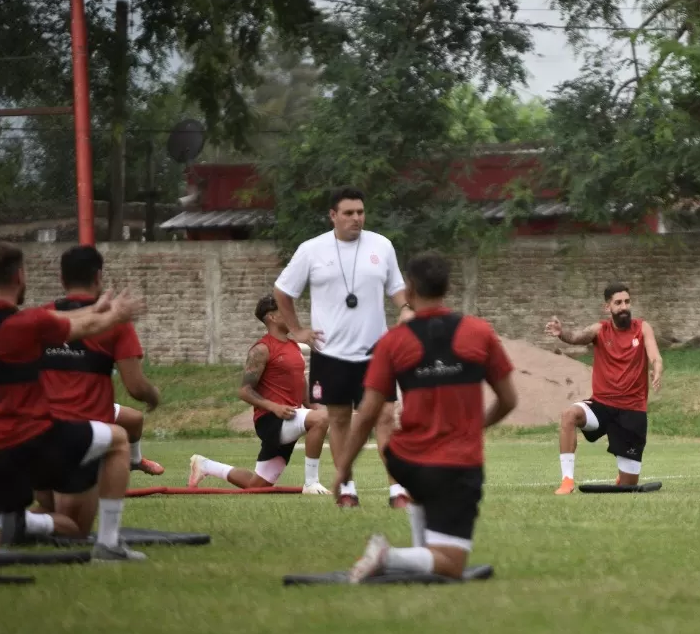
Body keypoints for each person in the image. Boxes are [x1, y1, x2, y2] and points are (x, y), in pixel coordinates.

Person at [340, 252, 518, 582]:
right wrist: (478, 425)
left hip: (405, 461)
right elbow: (509, 399)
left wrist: (345, 467)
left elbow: (366, 414)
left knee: (426, 503)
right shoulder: (479, 332)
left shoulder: (393, 342)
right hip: (455, 465)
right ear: (448, 287)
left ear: (408, 290)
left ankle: (421, 555)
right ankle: (387, 554)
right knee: (452, 566)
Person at [0, 243, 145, 560]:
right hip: (31, 438)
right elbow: (84, 327)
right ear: (19, 276)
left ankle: (19, 521)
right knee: (118, 440)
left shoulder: (16, 321)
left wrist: (95, 309)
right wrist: (116, 315)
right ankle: (109, 545)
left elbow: (58, 316)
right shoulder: (27, 324)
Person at [273, 186, 412, 506]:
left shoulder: (382, 245)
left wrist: (405, 308)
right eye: (348, 213)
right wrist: (295, 329)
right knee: (339, 420)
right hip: (330, 353)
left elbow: (397, 289)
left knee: (387, 418)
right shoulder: (311, 250)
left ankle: (397, 490)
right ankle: (347, 487)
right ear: (333, 215)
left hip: (376, 352)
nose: (356, 218)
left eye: (360, 212)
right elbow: (283, 292)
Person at [38, 245, 164, 484]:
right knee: (117, 442)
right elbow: (136, 387)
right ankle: (109, 519)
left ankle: (135, 461)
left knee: (134, 420)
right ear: (98, 276)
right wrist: (153, 396)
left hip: (41, 426)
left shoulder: (38, 317)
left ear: (61, 279)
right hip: (87, 428)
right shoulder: (116, 321)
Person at [188, 295, 330, 490]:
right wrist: (275, 407)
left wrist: (317, 409)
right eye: (286, 312)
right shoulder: (261, 349)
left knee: (258, 485)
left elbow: (300, 385)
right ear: (272, 317)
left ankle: (205, 465)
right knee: (319, 419)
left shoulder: (293, 346)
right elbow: (244, 391)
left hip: (290, 417)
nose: (293, 316)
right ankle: (311, 483)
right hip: (271, 420)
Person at [544, 283, 663, 495]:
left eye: (627, 301)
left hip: (632, 411)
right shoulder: (600, 330)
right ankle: (567, 481)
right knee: (569, 415)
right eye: (618, 303)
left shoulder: (642, 328)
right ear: (607, 307)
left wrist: (657, 369)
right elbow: (577, 337)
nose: (624, 306)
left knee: (627, 485)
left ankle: (624, 475)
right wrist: (561, 333)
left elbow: (655, 355)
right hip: (602, 406)